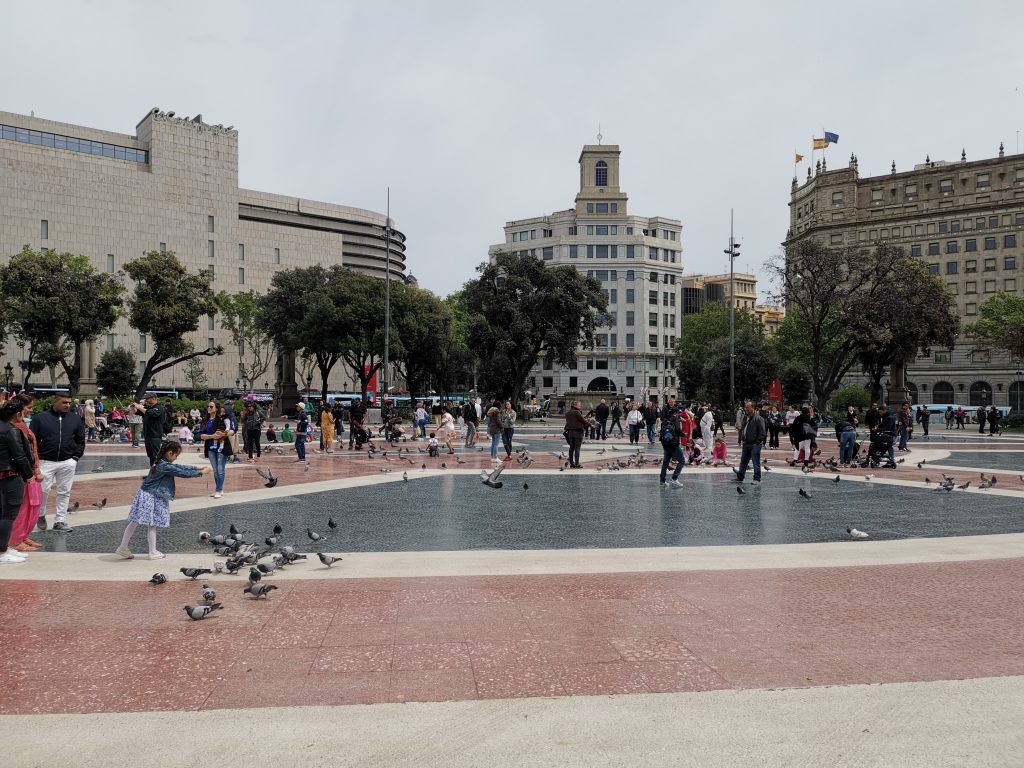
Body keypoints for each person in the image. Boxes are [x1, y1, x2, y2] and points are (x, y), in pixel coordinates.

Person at [115, 439, 210, 560]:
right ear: (170, 453)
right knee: (152, 523)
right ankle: (152, 551)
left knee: (134, 521)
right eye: (176, 455)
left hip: (145, 494)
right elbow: (180, 472)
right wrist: (200, 473)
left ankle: (123, 547)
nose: (176, 458)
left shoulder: (160, 461)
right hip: (152, 496)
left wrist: (197, 468)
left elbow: (178, 467)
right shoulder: (164, 465)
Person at [30, 393, 85, 533]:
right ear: (55, 401)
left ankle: (60, 520)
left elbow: (80, 440)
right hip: (45, 461)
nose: (67, 405)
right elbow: (31, 441)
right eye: (64, 402)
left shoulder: (75, 418)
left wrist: (75, 458)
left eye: (69, 403)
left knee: (64, 491)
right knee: (43, 491)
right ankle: (41, 514)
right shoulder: (40, 418)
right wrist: (34, 461)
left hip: (67, 461)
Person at [0, 398, 36, 564]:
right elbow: (20, 455)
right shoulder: (11, 430)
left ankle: (5, 547)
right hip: (10, 474)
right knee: (9, 514)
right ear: (17, 413)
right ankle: (2, 551)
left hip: (3, 473)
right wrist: (29, 474)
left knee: (4, 512)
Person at [7, 394, 44, 553]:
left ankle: (23, 535)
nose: (31, 410)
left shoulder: (22, 425)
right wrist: (32, 471)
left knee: (32, 505)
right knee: (22, 507)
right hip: (22, 472)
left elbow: (31, 450)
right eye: (28, 407)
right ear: (19, 409)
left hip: (30, 470)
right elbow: (21, 453)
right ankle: (15, 539)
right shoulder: (13, 427)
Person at [200, 401, 235, 499]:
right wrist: (211, 436)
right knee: (215, 470)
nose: (209, 408)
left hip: (221, 446)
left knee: (220, 469)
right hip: (210, 447)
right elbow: (199, 435)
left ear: (216, 408)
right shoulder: (205, 420)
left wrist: (225, 433)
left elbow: (232, 429)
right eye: (208, 406)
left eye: (211, 406)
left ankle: (218, 489)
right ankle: (219, 488)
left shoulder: (221, 419)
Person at [733, 400, 766, 484]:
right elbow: (744, 429)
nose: (746, 409)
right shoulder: (746, 417)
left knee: (756, 462)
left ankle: (757, 479)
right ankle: (740, 477)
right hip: (746, 443)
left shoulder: (758, 418)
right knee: (743, 462)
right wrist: (743, 440)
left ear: (753, 407)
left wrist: (757, 442)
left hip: (755, 444)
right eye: (745, 407)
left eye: (747, 407)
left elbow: (762, 432)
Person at [134, 394, 167, 466]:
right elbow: (138, 412)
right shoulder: (149, 408)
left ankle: (158, 473)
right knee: (151, 456)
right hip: (148, 435)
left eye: (147, 399)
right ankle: (152, 473)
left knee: (156, 455)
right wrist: (134, 407)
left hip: (155, 435)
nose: (146, 401)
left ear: (153, 399)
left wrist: (139, 406)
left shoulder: (159, 408)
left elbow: (151, 413)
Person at [658, 405, 684, 488]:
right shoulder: (676, 419)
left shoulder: (665, 421)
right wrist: (684, 434)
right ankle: (674, 478)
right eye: (678, 413)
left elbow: (661, 432)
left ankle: (662, 481)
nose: (679, 414)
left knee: (665, 462)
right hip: (674, 444)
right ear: (675, 413)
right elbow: (678, 430)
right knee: (682, 461)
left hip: (665, 444)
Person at [563, 400, 587, 469]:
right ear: (575, 405)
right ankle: (577, 464)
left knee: (571, 448)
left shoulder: (567, 413)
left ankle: (572, 464)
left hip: (570, 432)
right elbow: (583, 421)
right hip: (578, 432)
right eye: (579, 405)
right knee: (577, 448)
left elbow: (571, 421)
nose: (580, 406)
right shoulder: (577, 412)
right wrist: (591, 425)